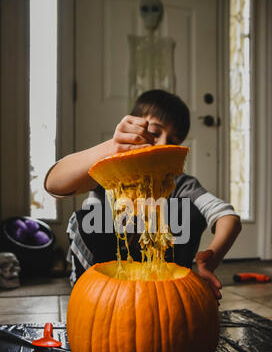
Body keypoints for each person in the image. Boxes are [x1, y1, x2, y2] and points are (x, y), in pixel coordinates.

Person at [45, 89, 242, 299]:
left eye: (174, 141)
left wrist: (210, 258)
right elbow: (54, 184)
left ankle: (172, 289)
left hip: (160, 290)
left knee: (189, 211)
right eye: (156, 133)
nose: (164, 143)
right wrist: (114, 147)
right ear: (133, 129)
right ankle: (88, 296)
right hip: (102, 289)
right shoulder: (111, 172)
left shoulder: (182, 183)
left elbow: (227, 217)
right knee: (89, 218)